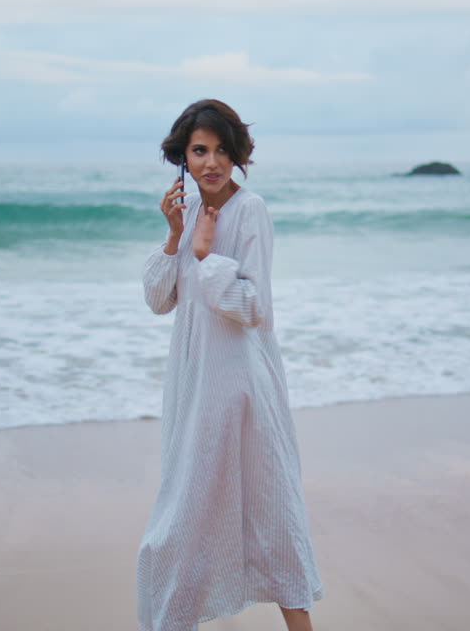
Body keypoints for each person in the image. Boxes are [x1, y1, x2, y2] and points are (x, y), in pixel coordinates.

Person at [138, 99, 324, 631]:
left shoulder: (251, 210)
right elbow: (158, 300)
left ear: (237, 154)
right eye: (199, 151)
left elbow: (253, 306)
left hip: (240, 385)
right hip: (194, 384)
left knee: (270, 518)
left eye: (221, 151)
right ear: (183, 157)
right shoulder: (190, 214)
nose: (210, 163)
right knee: (181, 526)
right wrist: (175, 237)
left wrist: (203, 258)